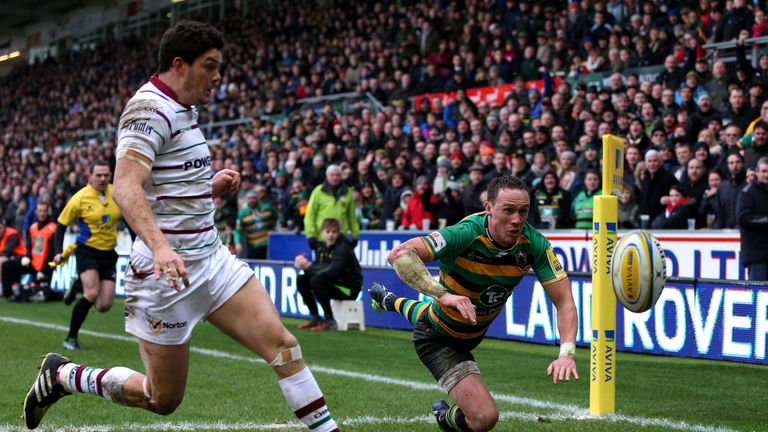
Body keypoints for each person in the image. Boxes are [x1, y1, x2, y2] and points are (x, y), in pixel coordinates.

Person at [22, 21, 339, 432]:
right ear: (180, 65)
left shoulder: (183, 107)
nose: (218, 76)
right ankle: (63, 376)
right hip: (164, 276)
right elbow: (125, 186)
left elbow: (164, 189)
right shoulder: (147, 109)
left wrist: (209, 190)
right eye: (210, 66)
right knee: (162, 398)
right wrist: (160, 247)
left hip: (210, 262)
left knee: (283, 347)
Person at [369, 175, 578, 432]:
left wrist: (566, 353)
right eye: (509, 210)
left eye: (523, 211)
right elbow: (399, 255)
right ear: (488, 208)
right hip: (439, 341)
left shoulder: (534, 244)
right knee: (484, 418)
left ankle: (388, 300)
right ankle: (446, 418)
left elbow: (565, 301)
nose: (517, 219)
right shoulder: (465, 233)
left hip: (461, 325)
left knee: (434, 314)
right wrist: (443, 295)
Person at [51, 159, 122, 350]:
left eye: (106, 175)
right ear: (89, 176)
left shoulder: (117, 193)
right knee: (91, 293)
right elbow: (60, 227)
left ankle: (77, 284)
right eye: (98, 175)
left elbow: (130, 221)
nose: (102, 178)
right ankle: (71, 338)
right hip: (87, 250)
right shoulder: (79, 198)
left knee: (104, 305)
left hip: (109, 252)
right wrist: (58, 253)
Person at [294, 218, 363, 331]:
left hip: (349, 288)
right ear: (322, 232)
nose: (331, 235)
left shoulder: (343, 248)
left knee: (316, 281)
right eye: (328, 232)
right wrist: (305, 266)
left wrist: (308, 267)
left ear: (339, 232)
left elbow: (333, 271)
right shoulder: (322, 247)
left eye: (334, 232)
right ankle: (316, 317)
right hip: (334, 283)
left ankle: (329, 319)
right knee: (302, 279)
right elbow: (320, 267)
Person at [0, 200, 57, 302]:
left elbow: (52, 253)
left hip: (45, 267)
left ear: (48, 212)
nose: (42, 213)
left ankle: (61, 294)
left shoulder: (53, 228)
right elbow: (30, 247)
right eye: (40, 211)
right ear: (36, 212)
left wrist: (44, 270)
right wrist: (27, 256)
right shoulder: (33, 227)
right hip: (32, 263)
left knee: (43, 294)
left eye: (44, 211)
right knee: (7, 265)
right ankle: (8, 294)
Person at [304, 164, 359, 251]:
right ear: (327, 176)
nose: (335, 178)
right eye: (332, 175)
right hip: (321, 238)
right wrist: (311, 235)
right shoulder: (318, 191)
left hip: (340, 238)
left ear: (341, 176)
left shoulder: (347, 192)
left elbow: (352, 217)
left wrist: (355, 236)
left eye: (337, 175)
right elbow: (310, 215)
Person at [737, 157, 768, 280]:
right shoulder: (747, 192)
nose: (767, 175)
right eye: (764, 171)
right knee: (759, 294)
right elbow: (743, 218)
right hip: (756, 255)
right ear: (757, 172)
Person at [237, 185, 277, 259]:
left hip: (268, 245)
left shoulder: (267, 208)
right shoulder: (243, 214)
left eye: (254, 198)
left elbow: (277, 216)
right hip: (253, 246)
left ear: (257, 199)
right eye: (250, 199)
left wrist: (277, 227)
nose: (252, 200)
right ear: (247, 200)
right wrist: (238, 243)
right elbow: (238, 231)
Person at [0, 208, 28, 300]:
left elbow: (6, 252)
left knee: (2, 261)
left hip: (21, 259)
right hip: (10, 258)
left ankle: (2, 288)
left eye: (0, 228)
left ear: (4, 227)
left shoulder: (12, 234)